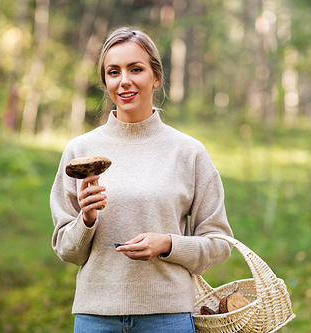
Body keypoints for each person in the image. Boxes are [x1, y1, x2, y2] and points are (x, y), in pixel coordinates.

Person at [50, 26, 233, 333]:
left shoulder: (188, 152)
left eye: (136, 69)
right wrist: (87, 218)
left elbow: (219, 244)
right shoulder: (79, 151)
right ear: (105, 81)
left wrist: (168, 244)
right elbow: (67, 251)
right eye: (113, 72)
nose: (124, 81)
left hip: (168, 317)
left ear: (156, 77)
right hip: (95, 317)